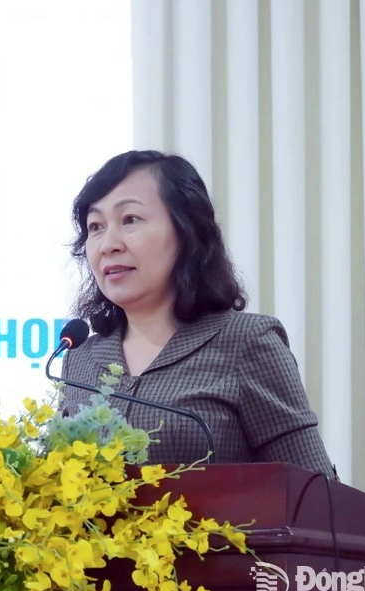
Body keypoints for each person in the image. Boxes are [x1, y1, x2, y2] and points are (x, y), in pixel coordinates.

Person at [59, 149, 339, 479]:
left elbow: (317, 494)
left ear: (186, 230)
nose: (109, 244)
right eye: (95, 226)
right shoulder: (79, 359)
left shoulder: (247, 343)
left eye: (130, 219)